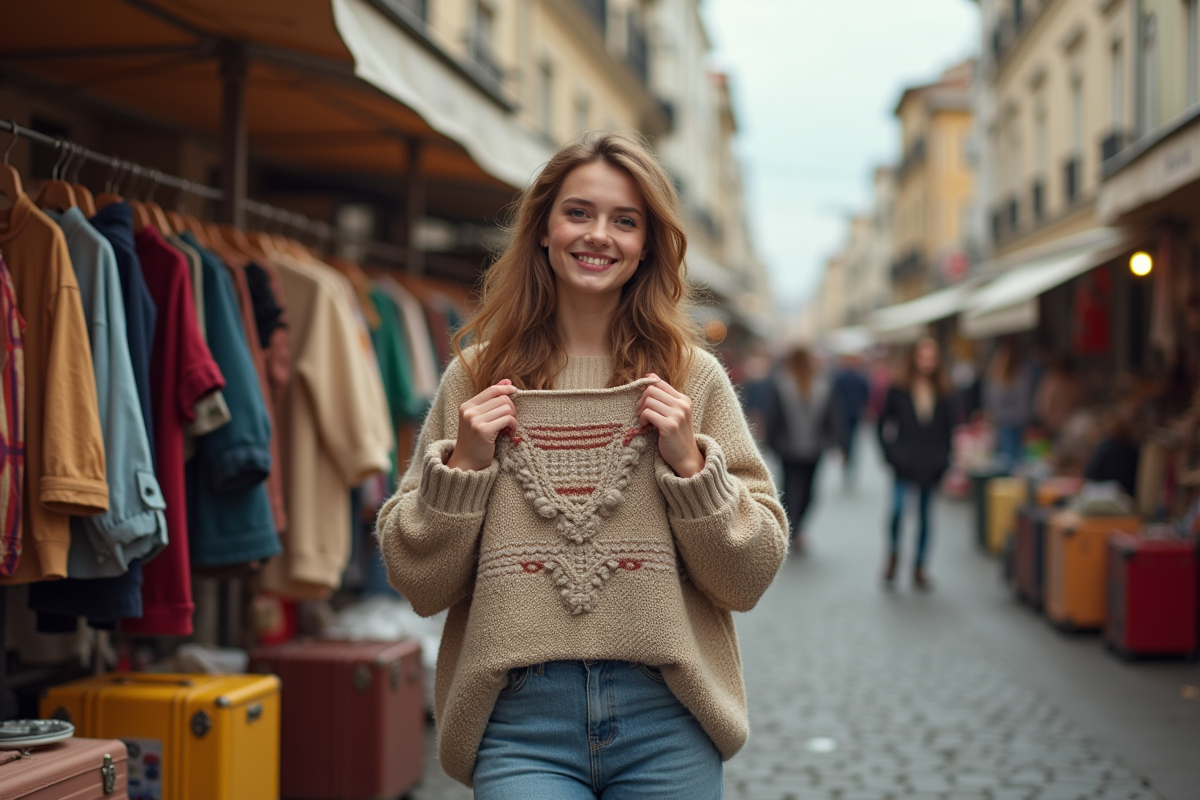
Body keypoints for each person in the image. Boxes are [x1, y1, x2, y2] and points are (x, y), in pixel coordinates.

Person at [376, 132, 787, 798]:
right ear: (543, 229)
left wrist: (692, 468)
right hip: (520, 722)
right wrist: (464, 469)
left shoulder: (694, 379)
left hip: (667, 719)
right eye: (578, 213)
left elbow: (748, 575)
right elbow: (419, 580)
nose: (599, 235)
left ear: (648, 243)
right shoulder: (475, 378)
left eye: (625, 220)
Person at [876, 337, 953, 590]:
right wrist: (890, 453)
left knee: (925, 516)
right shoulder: (899, 387)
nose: (927, 361)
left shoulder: (943, 389)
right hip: (904, 462)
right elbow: (882, 422)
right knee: (898, 510)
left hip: (931, 464)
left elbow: (949, 428)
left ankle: (920, 565)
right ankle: (894, 555)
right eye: (923, 356)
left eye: (932, 357)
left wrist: (945, 458)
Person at [763, 346, 833, 549]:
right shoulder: (823, 384)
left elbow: (772, 416)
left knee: (790, 487)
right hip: (814, 448)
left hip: (788, 448)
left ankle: (792, 525)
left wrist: (771, 443)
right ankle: (797, 526)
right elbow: (832, 416)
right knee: (809, 490)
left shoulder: (780, 383)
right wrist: (835, 441)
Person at [830, 352, 870, 488]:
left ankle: (845, 457)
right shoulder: (860, 379)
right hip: (854, 415)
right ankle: (849, 459)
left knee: (844, 440)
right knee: (852, 441)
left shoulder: (838, 378)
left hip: (841, 415)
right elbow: (866, 396)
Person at [1034, 355, 1085, 439]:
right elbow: (1083, 401)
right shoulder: (1076, 381)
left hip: (1056, 426)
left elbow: (1043, 407)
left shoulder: (1052, 381)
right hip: (1071, 426)